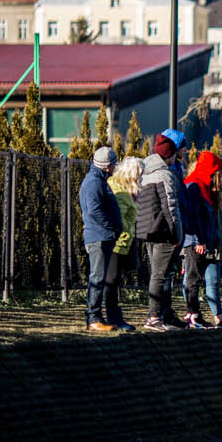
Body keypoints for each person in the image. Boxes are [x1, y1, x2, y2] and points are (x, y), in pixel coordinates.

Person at [136, 134, 185, 331]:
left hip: (148, 231)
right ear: (169, 155)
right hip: (164, 232)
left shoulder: (145, 173)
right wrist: (177, 234)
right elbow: (171, 207)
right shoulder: (165, 175)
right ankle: (154, 316)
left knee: (156, 274)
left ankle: (162, 315)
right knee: (160, 276)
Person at [79, 146, 123, 332]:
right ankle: (93, 317)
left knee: (100, 277)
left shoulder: (99, 180)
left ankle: (97, 316)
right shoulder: (94, 182)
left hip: (103, 236)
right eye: (114, 164)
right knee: (97, 278)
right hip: (98, 237)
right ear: (107, 166)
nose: (115, 167)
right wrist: (111, 226)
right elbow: (94, 210)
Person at [182, 150, 222, 328]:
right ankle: (192, 314)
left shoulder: (203, 187)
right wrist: (198, 240)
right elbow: (192, 216)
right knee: (193, 279)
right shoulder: (194, 186)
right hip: (195, 243)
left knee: (197, 279)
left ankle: (197, 315)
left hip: (202, 241)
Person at [106, 157, 143, 331]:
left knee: (115, 280)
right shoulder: (119, 190)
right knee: (111, 280)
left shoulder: (127, 190)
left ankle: (114, 315)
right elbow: (119, 218)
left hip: (124, 241)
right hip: (117, 242)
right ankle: (113, 317)